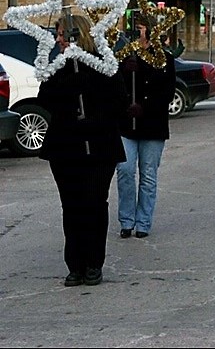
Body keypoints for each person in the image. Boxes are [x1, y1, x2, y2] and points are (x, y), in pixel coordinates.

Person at [37, 14, 128, 287]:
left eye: (62, 34)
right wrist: (66, 84)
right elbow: (45, 99)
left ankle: (93, 263)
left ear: (77, 35)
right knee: (72, 206)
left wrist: (93, 104)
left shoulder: (103, 63)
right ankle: (74, 264)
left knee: (94, 205)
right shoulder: (59, 66)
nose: (58, 39)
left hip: (99, 147)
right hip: (66, 147)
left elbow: (119, 102)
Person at [116, 16, 176, 239]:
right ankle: (126, 219)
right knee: (125, 170)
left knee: (148, 174)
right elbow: (115, 85)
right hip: (127, 124)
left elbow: (167, 92)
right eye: (135, 29)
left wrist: (145, 106)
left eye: (141, 29)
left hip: (152, 124)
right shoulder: (125, 56)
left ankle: (143, 221)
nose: (137, 34)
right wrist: (125, 71)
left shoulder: (163, 58)